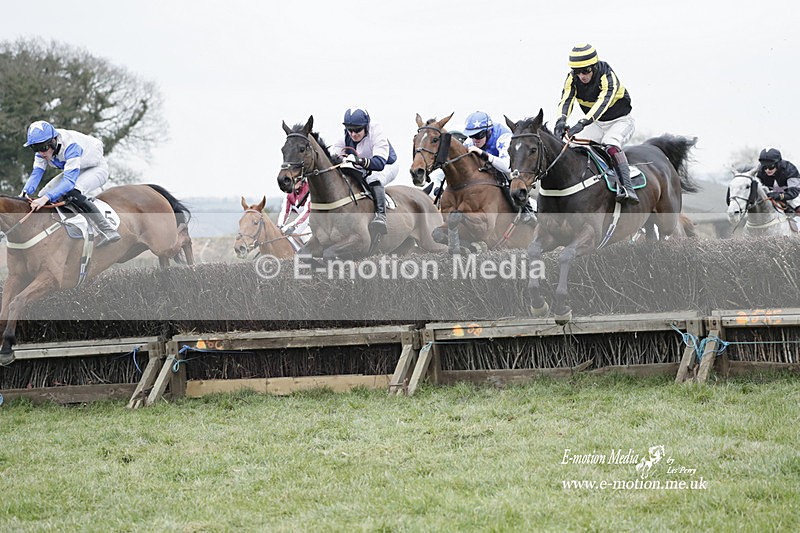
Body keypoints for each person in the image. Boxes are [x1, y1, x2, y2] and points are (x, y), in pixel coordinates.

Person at [553, 43, 639, 205]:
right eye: (577, 72)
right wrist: (561, 119)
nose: (582, 76)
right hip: (597, 123)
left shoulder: (607, 76)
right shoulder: (572, 79)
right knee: (569, 144)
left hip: (620, 121)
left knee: (610, 143)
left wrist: (582, 122)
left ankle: (627, 187)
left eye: (586, 71)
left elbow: (602, 103)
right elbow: (566, 99)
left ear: (594, 66)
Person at [22, 120, 120, 247]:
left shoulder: (70, 146)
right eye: (35, 148)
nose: (41, 153)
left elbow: (68, 183)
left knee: (72, 192)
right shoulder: (42, 151)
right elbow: (37, 173)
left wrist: (46, 198)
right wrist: (25, 193)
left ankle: (107, 229)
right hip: (76, 169)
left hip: (96, 168)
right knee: (43, 194)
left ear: (53, 141)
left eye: (43, 148)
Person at [329, 108, 398, 234]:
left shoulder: (376, 132)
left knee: (373, 178)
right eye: (350, 130)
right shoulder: (344, 135)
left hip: (387, 165)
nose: (353, 134)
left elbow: (379, 163)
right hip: (363, 167)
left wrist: (358, 160)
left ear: (366, 126)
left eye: (357, 130)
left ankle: (381, 216)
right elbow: (333, 156)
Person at [463, 111, 536, 218]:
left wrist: (484, 154)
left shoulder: (503, 137)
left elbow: (507, 167)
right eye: (472, 136)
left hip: (509, 168)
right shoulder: (470, 141)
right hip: (489, 165)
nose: (475, 140)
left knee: (509, 176)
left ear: (489, 131)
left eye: (479, 135)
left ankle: (527, 210)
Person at [756, 147, 800, 214]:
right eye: (765, 167)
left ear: (778, 164)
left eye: (771, 167)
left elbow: (794, 192)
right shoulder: (760, 169)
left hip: (789, 194)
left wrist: (779, 196)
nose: (767, 170)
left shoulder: (790, 169)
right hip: (769, 193)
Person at [276, 179, 312, 251]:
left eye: (296, 180)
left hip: (314, 219)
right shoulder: (289, 194)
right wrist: (279, 226)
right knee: (285, 234)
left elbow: (308, 211)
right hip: (302, 222)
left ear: (302, 180)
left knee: (304, 236)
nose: (293, 183)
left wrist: (294, 225)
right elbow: (285, 211)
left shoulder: (309, 188)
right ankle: (299, 255)